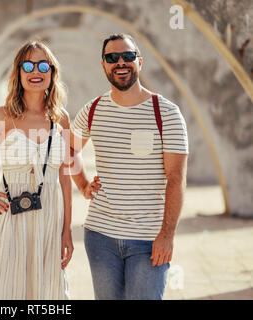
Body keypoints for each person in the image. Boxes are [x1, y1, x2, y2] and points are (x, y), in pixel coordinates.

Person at [69, 33, 189, 300]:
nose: (120, 62)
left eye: (128, 56)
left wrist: (167, 235)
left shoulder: (166, 113)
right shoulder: (93, 110)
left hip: (148, 238)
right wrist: (83, 184)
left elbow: (176, 178)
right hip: (100, 236)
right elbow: (68, 150)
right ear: (103, 65)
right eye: (112, 58)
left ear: (140, 61)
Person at [0, 40, 73, 300]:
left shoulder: (60, 118)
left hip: (49, 219)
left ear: (52, 73)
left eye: (43, 65)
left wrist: (67, 231)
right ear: (18, 72)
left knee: (45, 293)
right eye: (27, 65)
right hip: (8, 214)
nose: (35, 72)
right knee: (1, 289)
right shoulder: (1, 117)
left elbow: (65, 176)